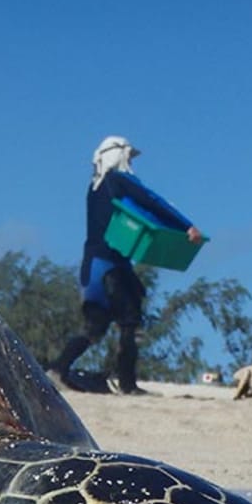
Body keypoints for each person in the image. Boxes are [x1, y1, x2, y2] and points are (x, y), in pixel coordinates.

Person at [50, 136, 202, 395]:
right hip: (111, 265)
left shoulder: (95, 187)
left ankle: (58, 370)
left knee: (95, 327)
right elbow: (150, 201)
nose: (130, 162)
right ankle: (127, 384)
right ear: (118, 155)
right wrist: (185, 225)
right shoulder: (117, 181)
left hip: (93, 265)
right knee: (130, 322)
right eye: (128, 156)